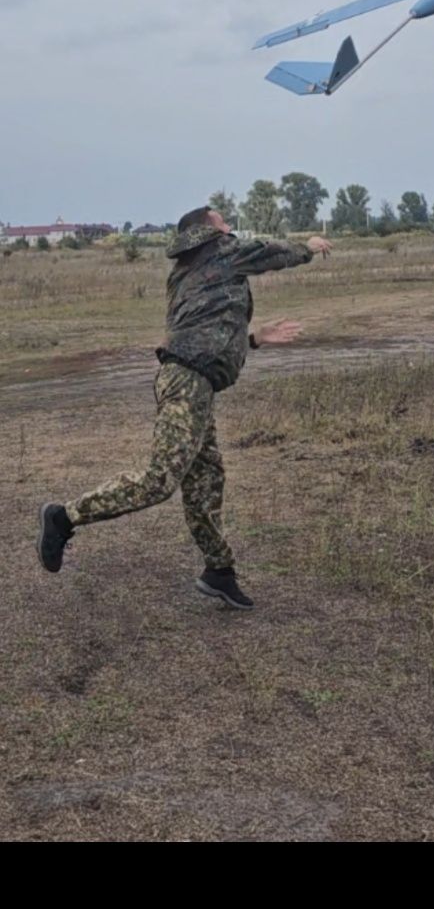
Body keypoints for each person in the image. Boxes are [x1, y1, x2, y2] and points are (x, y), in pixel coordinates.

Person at [37, 206, 331, 609]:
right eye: (223, 221)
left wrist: (255, 340)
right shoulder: (221, 251)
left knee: (206, 478)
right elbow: (267, 252)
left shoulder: (193, 266)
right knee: (160, 480)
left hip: (194, 381)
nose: (230, 227)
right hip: (187, 382)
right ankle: (64, 517)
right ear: (209, 231)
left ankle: (219, 571)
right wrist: (308, 247)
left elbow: (206, 330)